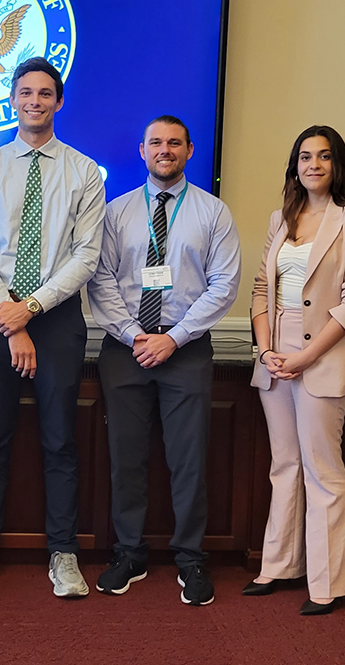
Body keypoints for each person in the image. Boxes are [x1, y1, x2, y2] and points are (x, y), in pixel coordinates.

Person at [0, 57, 105, 599]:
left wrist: (32, 308)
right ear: (12, 100)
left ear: (58, 102)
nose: (35, 101)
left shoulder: (85, 172)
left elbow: (86, 255)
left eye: (45, 93)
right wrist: (9, 318)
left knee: (61, 440)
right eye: (25, 93)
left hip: (57, 318)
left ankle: (64, 555)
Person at [87, 115, 240, 605]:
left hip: (186, 350)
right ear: (142, 150)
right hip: (125, 350)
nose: (165, 150)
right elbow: (101, 280)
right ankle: (128, 553)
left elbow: (224, 286)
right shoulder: (116, 212)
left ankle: (191, 559)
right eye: (156, 143)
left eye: (174, 143)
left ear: (190, 151)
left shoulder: (214, 213)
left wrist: (173, 338)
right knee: (126, 457)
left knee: (189, 460)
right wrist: (136, 335)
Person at [243, 125, 345, 615]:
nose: (314, 165)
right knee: (285, 465)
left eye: (324, 157)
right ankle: (279, 566)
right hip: (275, 352)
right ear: (294, 166)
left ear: (337, 164)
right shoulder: (281, 218)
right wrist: (266, 351)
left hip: (324, 353)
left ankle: (329, 583)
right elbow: (262, 289)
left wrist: (305, 357)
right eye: (305, 157)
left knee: (323, 469)